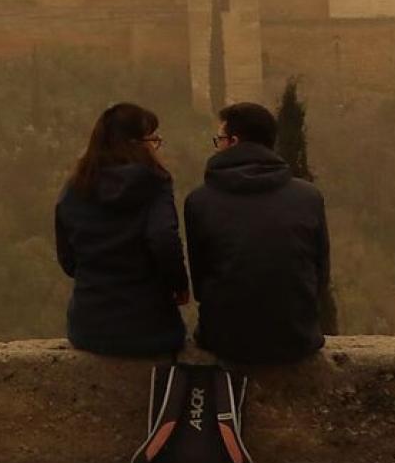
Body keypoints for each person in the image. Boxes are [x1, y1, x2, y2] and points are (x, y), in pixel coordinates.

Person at [185, 102, 332, 365]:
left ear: (233, 141)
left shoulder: (200, 200)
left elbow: (201, 281)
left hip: (224, 338)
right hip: (297, 337)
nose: (217, 145)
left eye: (219, 139)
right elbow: (320, 274)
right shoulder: (308, 197)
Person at [54, 103, 190, 357]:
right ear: (136, 144)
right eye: (153, 139)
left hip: (89, 329)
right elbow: (163, 239)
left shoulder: (75, 187)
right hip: (152, 330)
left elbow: (67, 259)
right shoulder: (155, 182)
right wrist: (179, 286)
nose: (155, 146)